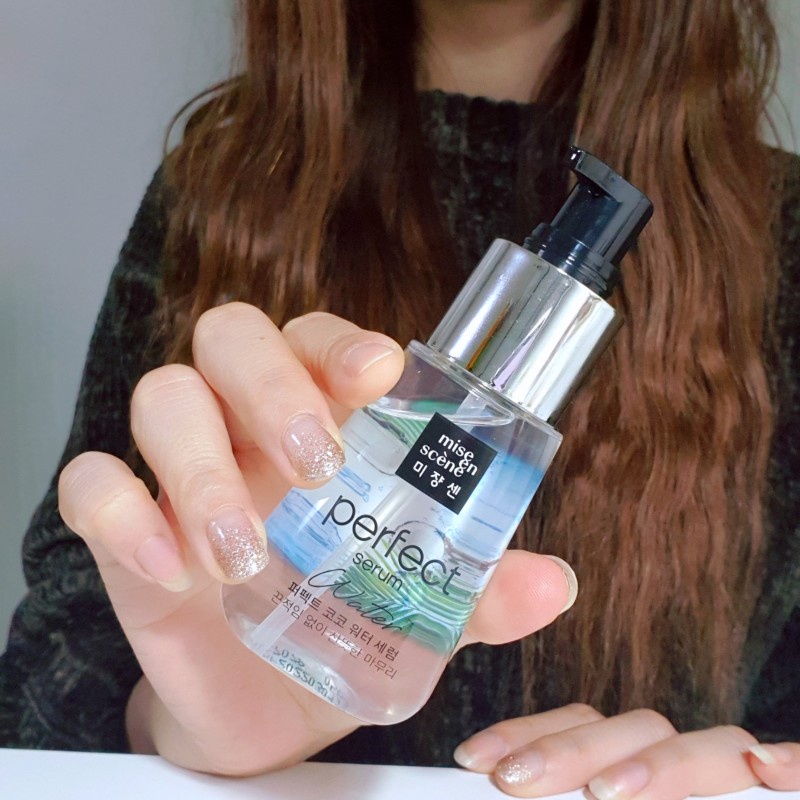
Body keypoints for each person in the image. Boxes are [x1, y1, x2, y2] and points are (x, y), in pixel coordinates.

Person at [1, 0, 799, 796]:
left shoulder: (781, 246)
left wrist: (757, 779)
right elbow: (42, 687)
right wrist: (182, 722)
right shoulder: (225, 181)